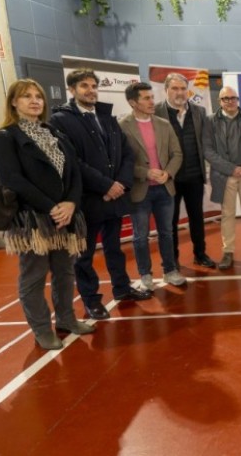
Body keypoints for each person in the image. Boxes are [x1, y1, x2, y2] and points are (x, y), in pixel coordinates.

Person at [0, 79, 95, 351]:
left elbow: (74, 172)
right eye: (26, 96)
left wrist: (70, 203)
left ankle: (66, 319)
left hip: (65, 217)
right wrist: (52, 206)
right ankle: (41, 330)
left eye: (38, 96)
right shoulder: (5, 137)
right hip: (32, 220)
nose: (35, 100)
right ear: (14, 102)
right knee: (33, 276)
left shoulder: (54, 133)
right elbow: (12, 179)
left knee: (64, 272)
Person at [51, 69, 151, 321]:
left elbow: (126, 154)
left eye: (94, 86)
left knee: (114, 248)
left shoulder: (107, 117)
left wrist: (121, 184)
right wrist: (106, 185)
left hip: (115, 197)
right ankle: (91, 301)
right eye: (84, 86)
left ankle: (121, 288)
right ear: (72, 89)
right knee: (83, 256)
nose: (91, 90)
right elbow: (72, 161)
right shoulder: (60, 120)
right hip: (86, 200)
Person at [119, 82, 186, 289]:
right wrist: (146, 172)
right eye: (146, 98)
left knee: (166, 232)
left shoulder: (164, 124)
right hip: (141, 191)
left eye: (151, 97)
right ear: (133, 102)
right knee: (140, 236)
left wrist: (168, 173)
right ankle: (145, 275)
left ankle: (170, 270)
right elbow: (122, 161)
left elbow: (177, 154)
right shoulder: (122, 126)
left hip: (165, 189)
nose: (151, 101)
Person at [154, 73, 214, 269]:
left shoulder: (199, 111)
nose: (179, 93)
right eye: (175, 88)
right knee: (169, 222)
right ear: (166, 90)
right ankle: (172, 260)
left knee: (196, 218)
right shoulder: (156, 112)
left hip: (194, 175)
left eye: (182, 89)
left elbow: (204, 142)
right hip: (168, 178)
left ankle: (200, 254)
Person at [203, 86, 241, 269]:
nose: (230, 101)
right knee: (227, 215)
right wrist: (231, 169)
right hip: (225, 176)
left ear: (238, 99)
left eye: (233, 98)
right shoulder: (210, 121)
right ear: (219, 101)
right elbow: (208, 150)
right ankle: (228, 252)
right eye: (225, 99)